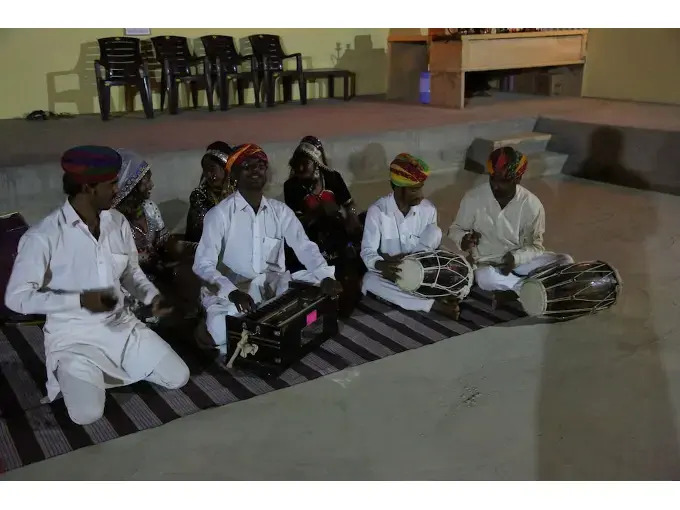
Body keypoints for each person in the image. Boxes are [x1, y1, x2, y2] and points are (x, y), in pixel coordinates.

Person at [4, 145, 189, 425]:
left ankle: (98, 379)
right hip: (75, 340)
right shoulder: (43, 236)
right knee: (86, 414)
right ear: (88, 188)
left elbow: (131, 272)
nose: (117, 189)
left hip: (122, 329)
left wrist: (152, 297)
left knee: (178, 377)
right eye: (111, 184)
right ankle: (76, 375)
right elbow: (17, 298)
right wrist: (79, 300)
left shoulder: (117, 222)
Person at [192, 143, 342, 364]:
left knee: (320, 283)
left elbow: (304, 247)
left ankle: (261, 330)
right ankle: (216, 327)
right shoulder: (219, 215)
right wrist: (232, 292)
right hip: (235, 294)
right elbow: (202, 264)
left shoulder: (280, 211)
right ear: (234, 175)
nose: (256, 170)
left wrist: (325, 276)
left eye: (261, 166)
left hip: (274, 289)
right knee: (220, 328)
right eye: (247, 166)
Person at [448, 146, 573, 304]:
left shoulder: (531, 204)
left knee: (565, 260)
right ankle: (527, 288)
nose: (496, 185)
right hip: (488, 263)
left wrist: (516, 258)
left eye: (503, 181)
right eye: (493, 178)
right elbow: (456, 229)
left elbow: (535, 246)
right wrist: (463, 239)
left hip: (520, 262)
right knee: (484, 277)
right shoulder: (473, 197)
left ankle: (515, 289)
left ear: (518, 179)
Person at [360, 153, 459, 318]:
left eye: (420, 187)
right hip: (392, 273)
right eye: (414, 189)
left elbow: (433, 247)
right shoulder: (377, 211)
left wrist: (422, 264)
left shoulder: (428, 209)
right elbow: (367, 251)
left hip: (421, 271)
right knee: (369, 281)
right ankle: (432, 305)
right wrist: (382, 265)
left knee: (435, 233)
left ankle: (416, 295)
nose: (421, 194)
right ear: (398, 189)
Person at [113, 149, 200, 319]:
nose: (151, 185)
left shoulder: (149, 208)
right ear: (130, 186)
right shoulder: (114, 223)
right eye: (146, 181)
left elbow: (164, 242)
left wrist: (195, 248)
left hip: (158, 275)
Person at [283, 139, 364, 284]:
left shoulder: (333, 177)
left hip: (337, 228)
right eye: (297, 164)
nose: (300, 168)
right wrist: (319, 211)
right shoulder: (291, 186)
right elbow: (296, 224)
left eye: (305, 163)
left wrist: (352, 217)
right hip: (310, 235)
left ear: (316, 162)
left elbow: (349, 204)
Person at [185, 141, 235, 243]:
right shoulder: (199, 196)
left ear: (225, 168)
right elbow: (202, 230)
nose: (208, 175)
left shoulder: (239, 192)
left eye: (212, 169)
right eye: (205, 170)